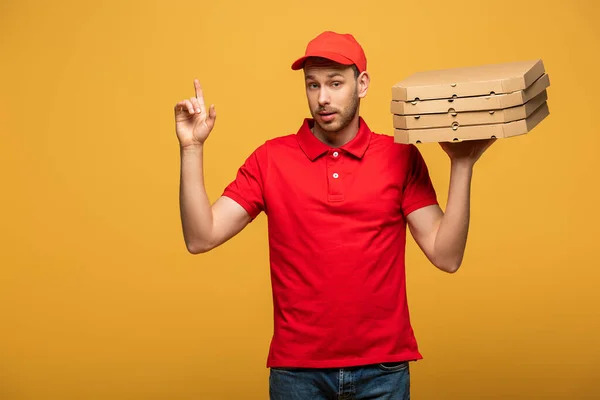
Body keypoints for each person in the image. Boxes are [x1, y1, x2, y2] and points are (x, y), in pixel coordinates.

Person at [174, 31, 495, 400]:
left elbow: (446, 255)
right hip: (298, 373)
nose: (322, 98)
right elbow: (201, 237)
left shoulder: (399, 155)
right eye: (312, 85)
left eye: (335, 83)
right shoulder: (270, 159)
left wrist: (462, 164)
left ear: (362, 84)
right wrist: (191, 148)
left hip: (383, 371)